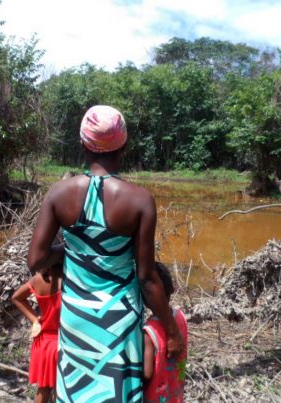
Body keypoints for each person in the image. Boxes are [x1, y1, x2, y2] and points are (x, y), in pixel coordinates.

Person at [27, 105, 183, 402]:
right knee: (116, 392)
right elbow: (147, 278)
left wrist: (68, 250)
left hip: (77, 317)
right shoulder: (139, 200)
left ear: (84, 143)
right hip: (119, 322)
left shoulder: (58, 194)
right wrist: (171, 330)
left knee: (77, 391)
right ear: (123, 145)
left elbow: (35, 260)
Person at [12, 264, 62, 403]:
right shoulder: (70, 279)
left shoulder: (38, 279)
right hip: (63, 342)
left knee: (43, 390)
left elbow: (16, 297)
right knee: (62, 390)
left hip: (44, 342)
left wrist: (35, 320)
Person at [143, 263, 188, 403]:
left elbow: (147, 373)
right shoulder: (180, 317)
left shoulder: (149, 331)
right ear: (172, 289)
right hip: (176, 392)